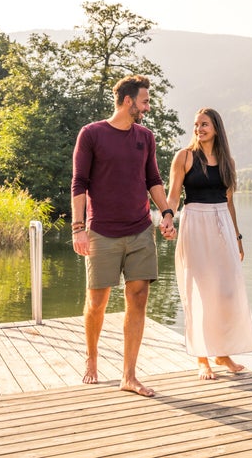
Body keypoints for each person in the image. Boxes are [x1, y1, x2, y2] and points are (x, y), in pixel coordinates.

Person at [71, 74, 177, 397]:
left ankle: (128, 375)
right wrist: (78, 228)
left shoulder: (145, 137)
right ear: (128, 101)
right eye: (144, 101)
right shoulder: (91, 134)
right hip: (102, 231)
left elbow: (153, 179)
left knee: (139, 298)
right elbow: (79, 183)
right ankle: (92, 356)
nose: (147, 107)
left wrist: (167, 212)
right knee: (98, 301)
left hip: (140, 229)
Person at [167, 107, 252, 380]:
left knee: (227, 292)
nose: (199, 129)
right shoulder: (184, 157)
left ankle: (222, 353)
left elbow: (230, 203)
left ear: (216, 128)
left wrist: (238, 237)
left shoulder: (227, 161)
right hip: (195, 223)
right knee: (199, 292)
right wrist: (169, 217)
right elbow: (173, 196)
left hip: (222, 225)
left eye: (204, 124)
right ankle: (202, 357)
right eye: (196, 124)